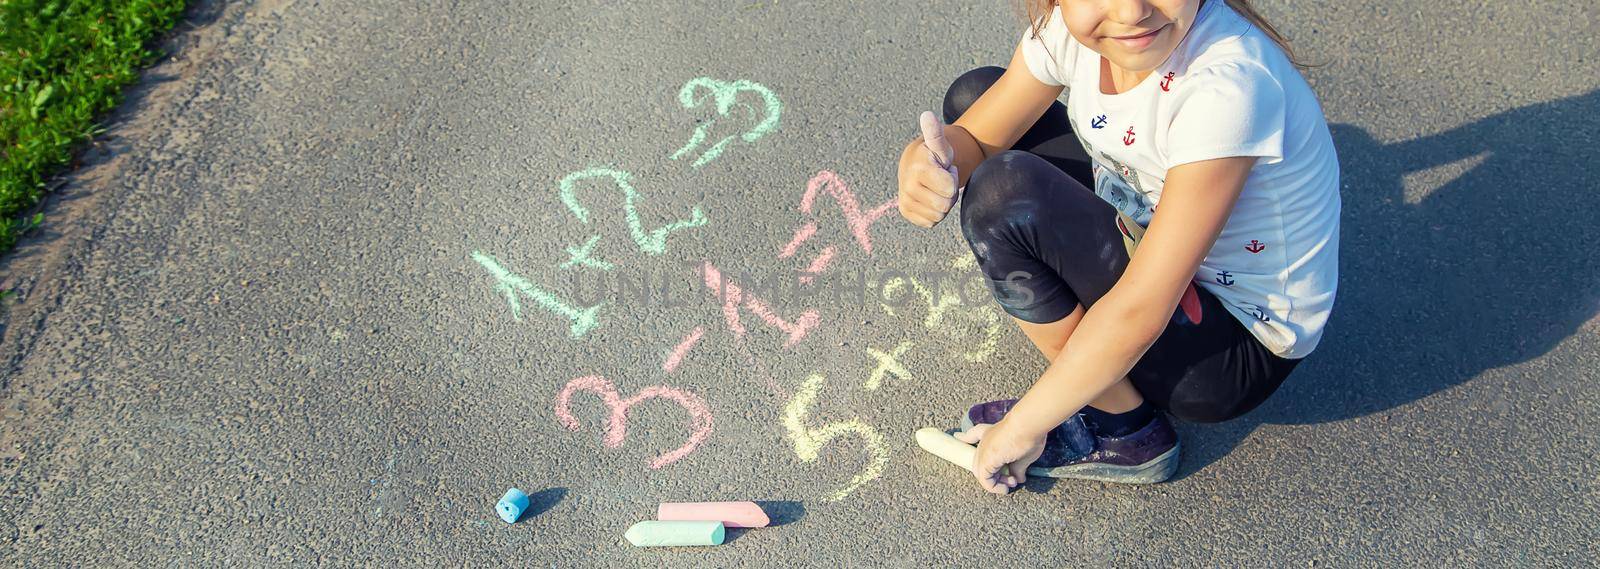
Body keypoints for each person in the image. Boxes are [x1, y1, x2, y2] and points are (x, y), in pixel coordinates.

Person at [895, 0, 1340, 493]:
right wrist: (926, 163)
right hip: (1154, 232)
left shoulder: (1227, 87)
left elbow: (1142, 306)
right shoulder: (1070, 33)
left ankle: (1125, 428)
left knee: (1003, 200)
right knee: (975, 95)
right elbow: (974, 140)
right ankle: (1093, 381)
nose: (1131, 11)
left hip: (1231, 348)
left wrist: (1027, 424)